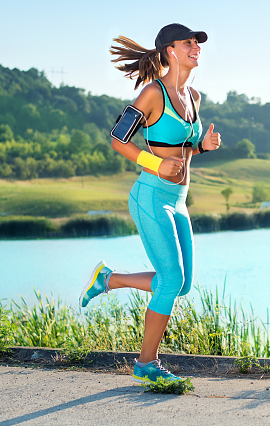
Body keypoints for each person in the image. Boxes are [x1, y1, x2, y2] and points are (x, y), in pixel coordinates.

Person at [79, 23, 221, 383]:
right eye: (188, 42)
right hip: (150, 196)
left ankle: (108, 279)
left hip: (179, 200)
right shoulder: (151, 93)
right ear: (170, 50)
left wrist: (199, 147)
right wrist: (156, 163)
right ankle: (146, 365)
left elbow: (178, 145)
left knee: (182, 284)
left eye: (198, 43)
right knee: (171, 279)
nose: (196, 47)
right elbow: (117, 139)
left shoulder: (194, 96)